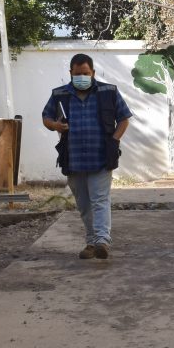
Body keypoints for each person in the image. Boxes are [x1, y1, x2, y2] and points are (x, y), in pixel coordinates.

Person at [42, 53, 132, 260]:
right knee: (83, 203)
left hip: (100, 157)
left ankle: (102, 241)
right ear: (70, 73)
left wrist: (114, 141)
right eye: (77, 74)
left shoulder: (108, 92)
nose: (81, 77)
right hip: (73, 159)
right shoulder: (60, 94)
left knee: (100, 200)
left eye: (85, 73)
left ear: (93, 72)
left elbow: (124, 119)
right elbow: (46, 117)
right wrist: (56, 125)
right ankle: (91, 242)